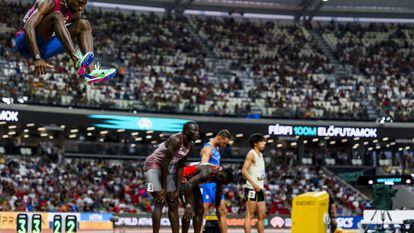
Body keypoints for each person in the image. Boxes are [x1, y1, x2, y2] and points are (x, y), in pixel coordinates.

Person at [14, 0, 116, 83]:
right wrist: (37, 58)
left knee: (84, 24)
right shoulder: (49, 2)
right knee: (57, 16)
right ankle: (76, 59)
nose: (81, 8)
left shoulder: (76, 13)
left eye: (84, 5)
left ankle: (92, 72)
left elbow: (68, 34)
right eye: (79, 3)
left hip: (46, 47)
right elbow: (29, 27)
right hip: (26, 43)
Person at [144, 122, 199, 233]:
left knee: (173, 201)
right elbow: (164, 164)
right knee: (160, 200)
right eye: (195, 131)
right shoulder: (176, 140)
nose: (198, 133)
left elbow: (180, 166)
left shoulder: (191, 145)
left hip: (165, 169)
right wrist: (164, 188)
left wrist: (177, 189)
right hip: (151, 166)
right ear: (187, 132)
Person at [180, 163, 233, 233]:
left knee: (200, 210)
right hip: (183, 180)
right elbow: (188, 185)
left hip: (192, 182)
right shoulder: (208, 172)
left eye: (223, 183)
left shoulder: (220, 177)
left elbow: (219, 192)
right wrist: (188, 205)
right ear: (220, 176)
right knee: (189, 210)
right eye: (222, 182)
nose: (221, 184)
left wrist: (217, 207)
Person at [200, 129, 232, 233]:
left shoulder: (216, 148)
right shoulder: (208, 149)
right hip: (207, 184)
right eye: (224, 143)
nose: (225, 146)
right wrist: (217, 168)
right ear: (219, 138)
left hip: (216, 183)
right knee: (203, 211)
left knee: (222, 211)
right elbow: (203, 167)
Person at [242, 133, 267, 233]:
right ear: (255, 143)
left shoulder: (260, 154)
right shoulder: (251, 153)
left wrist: (259, 185)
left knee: (262, 215)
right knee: (250, 214)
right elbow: (244, 171)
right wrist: (254, 184)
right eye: (261, 142)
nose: (264, 143)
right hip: (251, 188)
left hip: (260, 188)